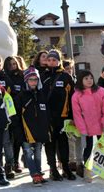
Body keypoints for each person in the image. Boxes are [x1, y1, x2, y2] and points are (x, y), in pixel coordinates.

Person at [72, 70, 104, 182]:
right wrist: (83, 130)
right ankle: (87, 171)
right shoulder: (76, 95)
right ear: (80, 80)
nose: (89, 80)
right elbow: (77, 115)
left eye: (91, 78)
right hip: (87, 127)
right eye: (86, 78)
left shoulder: (100, 91)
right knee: (88, 149)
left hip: (101, 126)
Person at [41, 49, 76, 181]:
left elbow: (73, 98)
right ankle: (53, 169)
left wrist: (72, 116)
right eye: (49, 60)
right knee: (49, 143)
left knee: (63, 143)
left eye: (54, 60)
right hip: (47, 117)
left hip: (63, 117)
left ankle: (66, 168)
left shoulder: (66, 77)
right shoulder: (42, 76)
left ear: (59, 61)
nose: (51, 62)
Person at [15, 67, 49, 186]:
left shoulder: (42, 95)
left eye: (35, 79)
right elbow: (16, 116)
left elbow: (45, 113)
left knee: (39, 151)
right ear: (26, 81)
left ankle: (39, 173)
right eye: (31, 80)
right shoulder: (21, 96)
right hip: (26, 130)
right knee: (28, 152)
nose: (33, 82)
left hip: (39, 130)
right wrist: (19, 131)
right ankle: (34, 175)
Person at [4, 56, 25, 175]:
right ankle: (9, 163)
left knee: (17, 139)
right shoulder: (5, 77)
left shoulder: (21, 76)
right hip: (7, 112)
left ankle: (16, 162)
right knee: (8, 140)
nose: (12, 66)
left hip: (19, 112)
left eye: (14, 64)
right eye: (10, 64)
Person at [62, 59, 81, 173]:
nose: (69, 71)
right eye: (66, 69)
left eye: (70, 69)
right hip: (65, 113)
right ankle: (70, 161)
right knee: (68, 139)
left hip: (75, 113)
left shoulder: (76, 80)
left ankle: (76, 161)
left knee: (75, 138)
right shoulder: (62, 80)